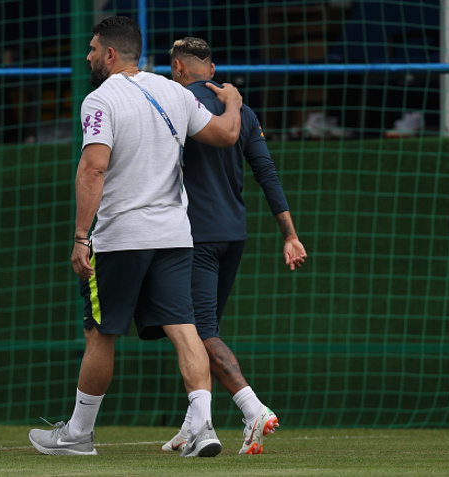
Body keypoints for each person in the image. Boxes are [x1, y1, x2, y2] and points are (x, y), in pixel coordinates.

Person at [28, 18, 244, 457]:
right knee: (185, 330)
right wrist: (234, 101)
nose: (87, 56)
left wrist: (79, 237)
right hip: (173, 236)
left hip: (120, 238)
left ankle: (79, 435)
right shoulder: (174, 92)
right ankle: (203, 428)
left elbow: (93, 169)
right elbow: (227, 133)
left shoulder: (100, 99)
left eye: (92, 49)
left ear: (110, 54)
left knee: (100, 334)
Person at [161, 37, 308, 455]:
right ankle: (193, 425)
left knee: (198, 332)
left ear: (177, 67)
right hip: (233, 236)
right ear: (211, 67)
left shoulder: (174, 103)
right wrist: (290, 235)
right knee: (200, 332)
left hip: (193, 238)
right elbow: (266, 172)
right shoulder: (238, 110)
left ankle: (252, 408)